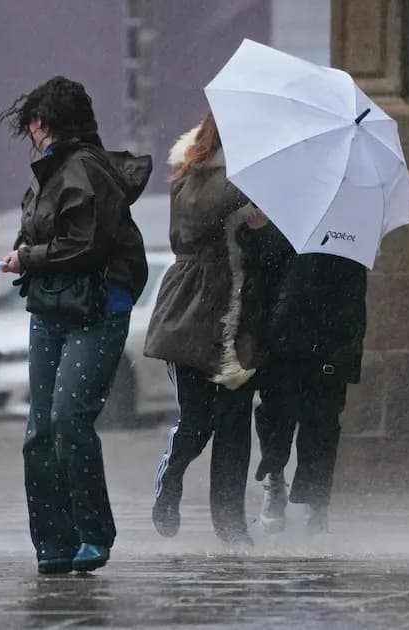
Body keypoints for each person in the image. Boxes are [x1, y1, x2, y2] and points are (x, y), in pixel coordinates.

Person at [0, 76, 152, 574]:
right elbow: (38, 232)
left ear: (44, 122)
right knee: (39, 430)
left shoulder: (85, 169)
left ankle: (92, 534)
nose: (30, 132)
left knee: (68, 418)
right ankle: (53, 544)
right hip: (50, 308)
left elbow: (85, 244)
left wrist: (29, 257)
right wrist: (23, 251)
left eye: (32, 123)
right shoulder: (47, 174)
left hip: (97, 308)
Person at [143, 112, 271, 547]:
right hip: (193, 311)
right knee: (197, 421)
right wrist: (247, 194)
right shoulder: (192, 173)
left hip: (241, 317)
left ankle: (231, 527)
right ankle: (171, 478)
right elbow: (198, 215)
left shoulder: (258, 183)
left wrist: (261, 226)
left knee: (234, 424)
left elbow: (269, 254)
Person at [253, 246, 369, 536]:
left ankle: (316, 502)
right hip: (282, 343)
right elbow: (261, 277)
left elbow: (354, 303)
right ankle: (275, 481)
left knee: (322, 425)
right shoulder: (282, 234)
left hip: (327, 343)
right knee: (276, 418)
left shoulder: (348, 244)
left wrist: (345, 354)